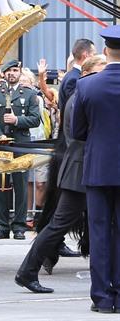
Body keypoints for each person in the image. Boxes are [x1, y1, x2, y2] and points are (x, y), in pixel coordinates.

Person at [15, 54, 106, 294]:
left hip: (82, 169)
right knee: (58, 224)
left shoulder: (82, 95)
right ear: (86, 72)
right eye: (100, 70)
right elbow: (78, 136)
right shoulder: (79, 97)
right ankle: (27, 271)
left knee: (61, 224)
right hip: (79, 171)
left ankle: (29, 270)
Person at [71, 25, 120, 314]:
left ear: (105, 51)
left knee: (99, 233)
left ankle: (102, 297)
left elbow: (77, 131)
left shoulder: (86, 85)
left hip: (99, 168)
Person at [0, 60, 40, 240]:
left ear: (19, 72)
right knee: (1, 185)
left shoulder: (29, 94)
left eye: (15, 70)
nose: (12, 74)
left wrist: (17, 121)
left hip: (20, 143)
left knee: (21, 185)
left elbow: (35, 119)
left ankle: (19, 226)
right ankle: (2, 225)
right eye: (9, 71)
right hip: (0, 144)